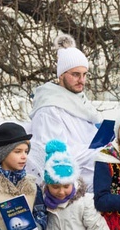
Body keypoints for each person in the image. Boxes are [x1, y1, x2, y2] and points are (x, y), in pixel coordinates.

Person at [29, 34, 102, 190]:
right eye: (75, 74)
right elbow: (52, 151)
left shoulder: (82, 103)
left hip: (90, 178)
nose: (81, 80)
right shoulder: (49, 107)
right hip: (65, 186)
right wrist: (97, 154)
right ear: (61, 75)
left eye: (84, 74)